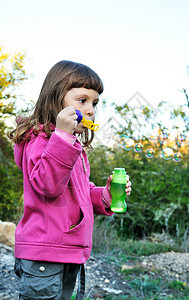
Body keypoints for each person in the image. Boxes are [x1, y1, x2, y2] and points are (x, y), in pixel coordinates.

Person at [9, 60, 131, 300]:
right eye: (82, 100)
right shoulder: (41, 141)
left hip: (66, 251)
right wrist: (63, 137)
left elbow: (80, 191)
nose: (90, 110)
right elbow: (48, 185)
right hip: (44, 256)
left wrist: (105, 195)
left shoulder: (71, 146)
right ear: (56, 99)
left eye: (95, 103)